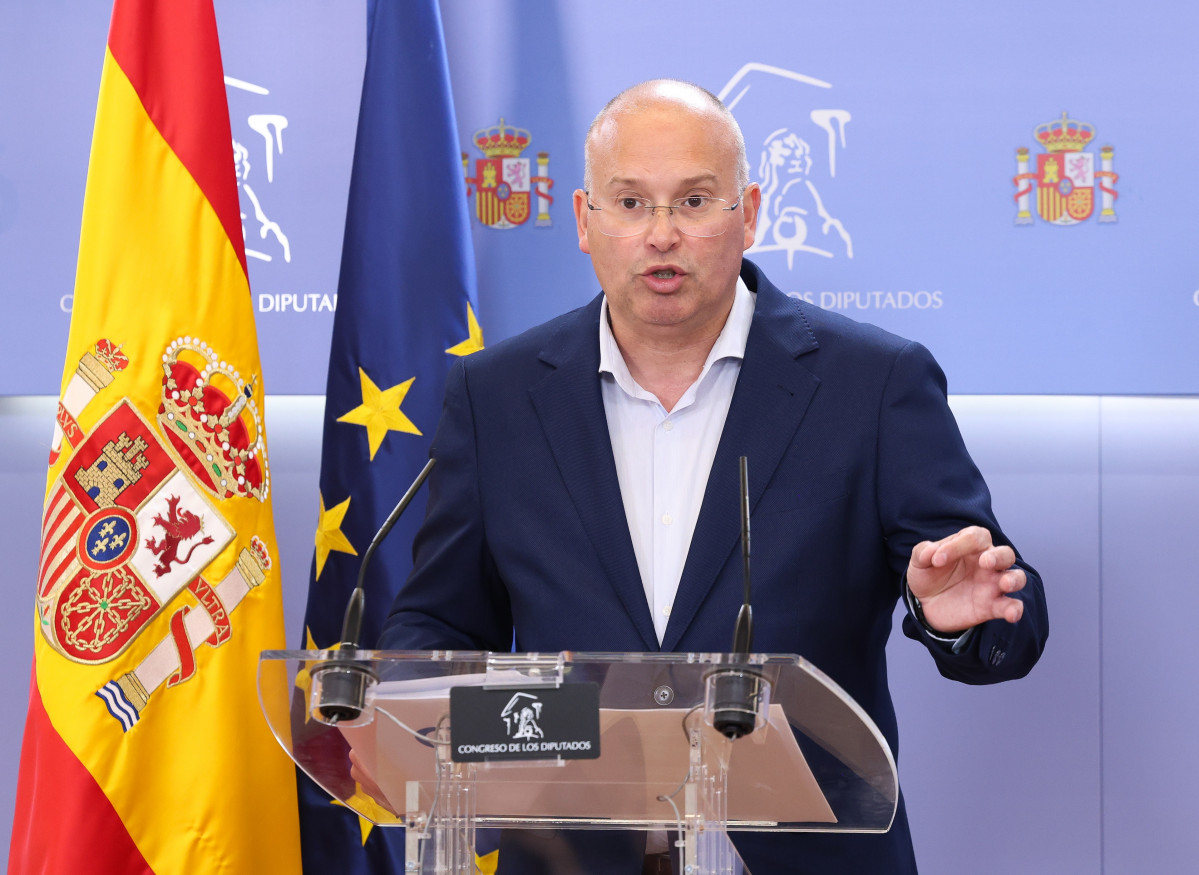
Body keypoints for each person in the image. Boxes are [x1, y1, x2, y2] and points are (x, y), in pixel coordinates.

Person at [376, 79, 1047, 873]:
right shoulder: (497, 396)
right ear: (584, 220)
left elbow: (1009, 610)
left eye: (694, 202)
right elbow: (440, 627)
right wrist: (409, 706)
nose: (661, 234)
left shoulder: (873, 384)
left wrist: (956, 616)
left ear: (749, 213)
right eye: (630, 203)